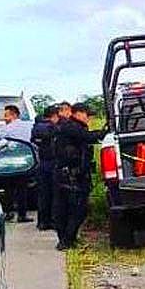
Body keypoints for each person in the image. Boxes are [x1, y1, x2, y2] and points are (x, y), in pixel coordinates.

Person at [53, 102, 103, 250]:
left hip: (73, 175)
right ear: (78, 113)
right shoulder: (71, 127)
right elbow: (87, 137)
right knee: (76, 209)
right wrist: (104, 132)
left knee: (73, 208)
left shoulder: (73, 127)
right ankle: (66, 241)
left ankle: (69, 239)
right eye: (88, 115)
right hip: (70, 177)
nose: (89, 119)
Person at [31, 105, 60, 231]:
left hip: (41, 163)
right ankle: (52, 221)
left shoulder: (36, 127)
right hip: (52, 162)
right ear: (54, 116)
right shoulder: (53, 128)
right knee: (54, 193)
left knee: (43, 194)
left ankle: (42, 222)